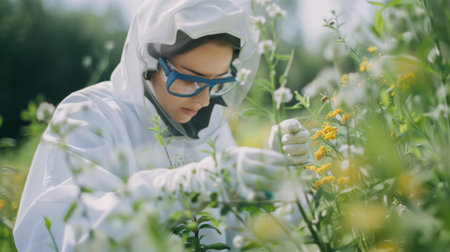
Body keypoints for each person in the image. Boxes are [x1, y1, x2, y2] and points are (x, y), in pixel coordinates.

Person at [13, 0, 310, 251]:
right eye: (191, 79)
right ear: (149, 62)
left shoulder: (209, 128)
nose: (205, 101)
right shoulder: (90, 115)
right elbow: (59, 234)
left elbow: (243, 238)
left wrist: (279, 188)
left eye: (217, 82)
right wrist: (182, 187)